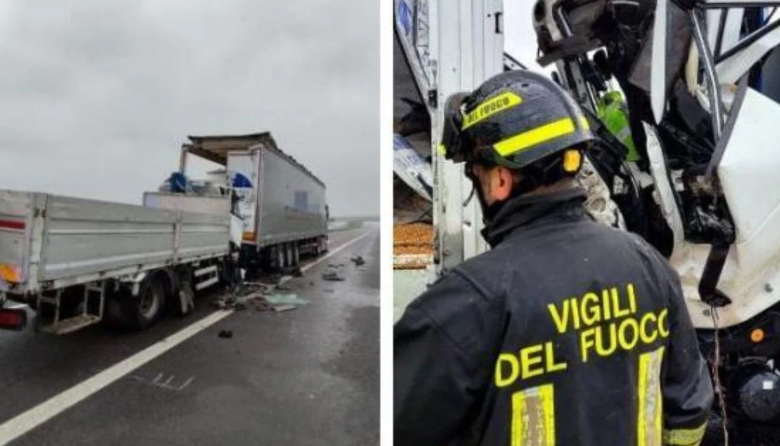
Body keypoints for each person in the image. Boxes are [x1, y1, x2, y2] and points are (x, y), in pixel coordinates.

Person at [394, 70, 713, 446]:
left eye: (476, 174)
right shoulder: (647, 263)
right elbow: (689, 412)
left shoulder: (466, 302)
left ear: (500, 179)